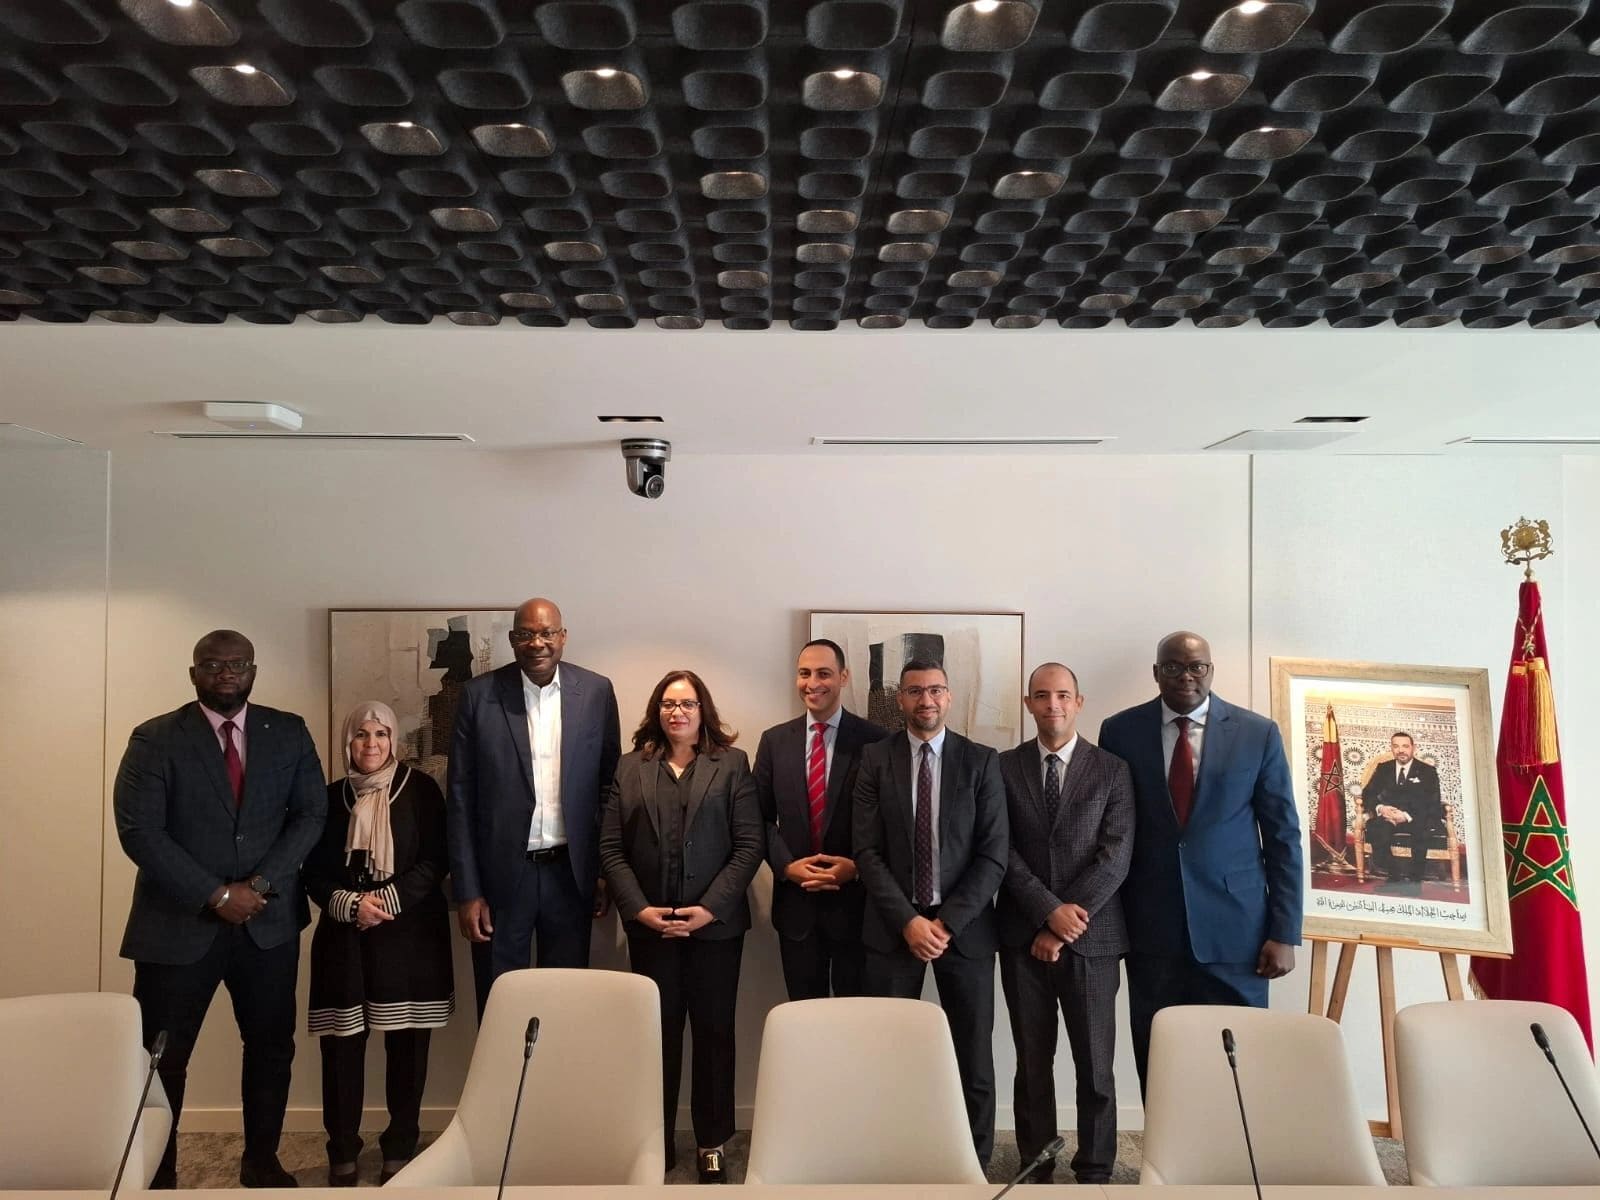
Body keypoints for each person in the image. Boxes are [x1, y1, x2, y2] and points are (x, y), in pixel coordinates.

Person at [113, 630, 326, 1188]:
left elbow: (310, 815)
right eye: (213, 664)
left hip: (268, 925)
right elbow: (140, 832)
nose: (226, 672)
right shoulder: (155, 738)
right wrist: (216, 894)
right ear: (193, 673)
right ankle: (158, 1176)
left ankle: (262, 1162)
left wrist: (259, 885)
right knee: (162, 1057)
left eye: (237, 664)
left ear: (253, 671)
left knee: (271, 1048)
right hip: (176, 926)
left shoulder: (289, 731)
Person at [1098, 631, 1302, 1093]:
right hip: (1151, 928)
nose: (1185, 676)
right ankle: (1165, 1139)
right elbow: (1110, 827)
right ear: (1156, 673)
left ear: (1211, 670)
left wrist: (1284, 932)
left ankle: (1234, 1142)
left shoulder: (1257, 733)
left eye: (1196, 667)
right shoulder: (1120, 732)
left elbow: (1283, 837)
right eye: (1173, 667)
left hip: (1238, 933)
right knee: (1159, 1056)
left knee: (1239, 1061)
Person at [599, 670, 763, 1183]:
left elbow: (749, 845)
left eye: (687, 703)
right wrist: (638, 910)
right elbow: (610, 848)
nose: (678, 712)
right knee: (657, 1038)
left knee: (714, 1035)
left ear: (702, 710)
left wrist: (709, 908)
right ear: (657, 710)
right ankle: (658, 1142)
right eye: (669, 704)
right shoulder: (630, 767)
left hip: (714, 930)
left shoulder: (732, 764)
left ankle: (712, 1141)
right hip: (651, 929)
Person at [853, 660, 1008, 1168]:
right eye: (916, 691)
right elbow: (866, 851)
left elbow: (993, 855)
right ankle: (889, 1156)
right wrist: (909, 921)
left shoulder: (981, 761)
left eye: (936, 690)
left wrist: (945, 923)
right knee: (886, 1053)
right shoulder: (875, 759)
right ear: (900, 698)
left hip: (964, 931)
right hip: (893, 928)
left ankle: (974, 1162)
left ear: (949, 696)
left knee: (973, 1055)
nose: (927, 700)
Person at [446, 597, 621, 1016]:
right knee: (500, 1003)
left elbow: (609, 788)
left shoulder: (596, 692)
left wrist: (602, 871)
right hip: (501, 880)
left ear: (563, 636)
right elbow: (460, 799)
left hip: (571, 875)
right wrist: (468, 891)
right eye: (525, 634)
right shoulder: (478, 696)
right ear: (512, 639)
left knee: (566, 1001)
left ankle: (558, 1064)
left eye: (546, 633)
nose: (536, 643)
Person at [304, 702, 454, 1186]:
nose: (371, 744)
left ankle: (400, 1145)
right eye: (361, 735)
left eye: (381, 734)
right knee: (342, 1049)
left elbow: (437, 859)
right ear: (347, 742)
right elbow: (311, 869)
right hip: (345, 937)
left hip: (410, 936)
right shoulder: (328, 798)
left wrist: (386, 900)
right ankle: (342, 1149)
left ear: (394, 740)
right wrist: (351, 904)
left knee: (407, 1049)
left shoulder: (422, 790)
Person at [998, 663, 1134, 1185]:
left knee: (1095, 1064)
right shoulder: (1003, 767)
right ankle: (1036, 1164)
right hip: (1022, 937)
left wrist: (1061, 924)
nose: (1052, 704)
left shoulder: (1113, 770)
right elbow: (1001, 850)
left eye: (1061, 695)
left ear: (1079, 702)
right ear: (1028, 704)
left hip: (1092, 941)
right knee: (1032, 1062)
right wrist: (1044, 911)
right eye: (1041, 695)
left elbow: (1115, 857)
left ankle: (1096, 1168)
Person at [754, 638, 889, 1000]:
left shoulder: (875, 742)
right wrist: (786, 867)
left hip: (856, 907)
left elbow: (889, 822)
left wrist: (857, 867)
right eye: (804, 673)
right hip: (796, 908)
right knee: (803, 1016)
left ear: (844, 677)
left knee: (855, 1018)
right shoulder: (774, 741)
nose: (812, 683)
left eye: (824, 673)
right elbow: (758, 819)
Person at [1361, 731, 1444, 891]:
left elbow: (1432, 802)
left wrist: (1405, 816)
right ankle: (1395, 878)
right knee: (1375, 828)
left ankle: (1414, 883)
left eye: (1405, 746)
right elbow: (1368, 794)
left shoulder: (1427, 771)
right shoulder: (1383, 768)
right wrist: (1381, 808)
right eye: (1396, 746)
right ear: (1392, 748)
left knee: (1423, 830)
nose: (1401, 750)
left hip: (1415, 818)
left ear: (1413, 748)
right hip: (1388, 817)